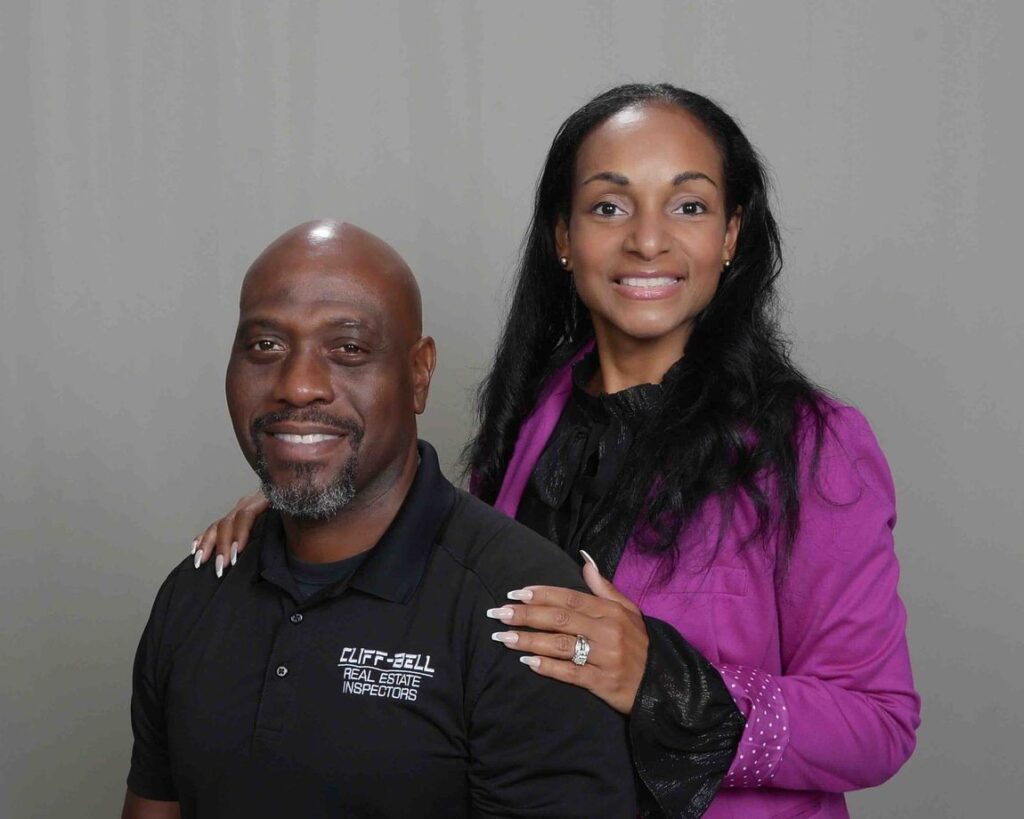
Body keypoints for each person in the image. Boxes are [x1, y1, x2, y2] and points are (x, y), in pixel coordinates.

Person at [193, 85, 920, 818]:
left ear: (731, 235)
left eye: (689, 206)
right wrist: (308, 496)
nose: (647, 239)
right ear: (564, 236)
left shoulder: (815, 447)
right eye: (610, 205)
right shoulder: (530, 414)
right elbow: (451, 571)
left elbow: (881, 723)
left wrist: (662, 681)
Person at [123, 221, 637, 819]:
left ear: (418, 373)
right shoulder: (197, 590)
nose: (298, 386)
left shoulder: (527, 615)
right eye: (266, 346)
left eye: (348, 349)